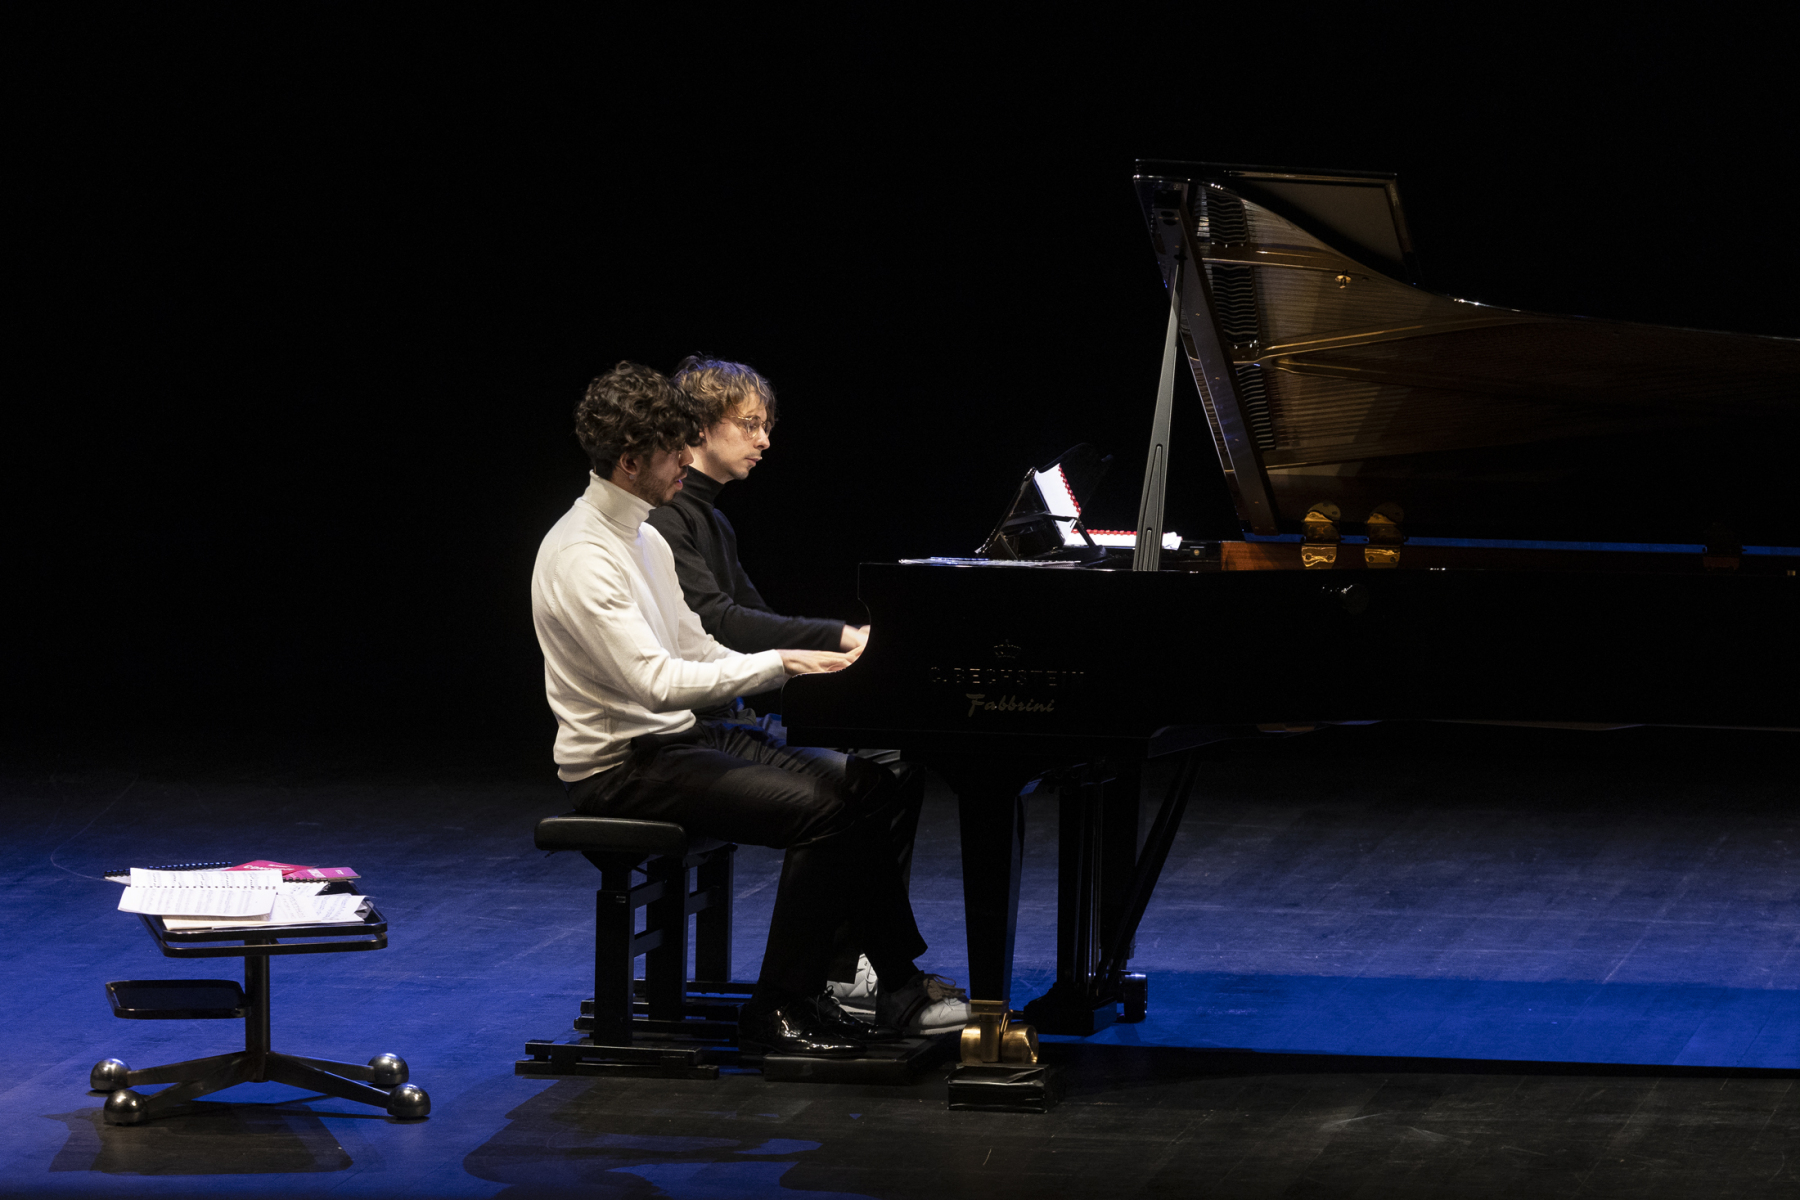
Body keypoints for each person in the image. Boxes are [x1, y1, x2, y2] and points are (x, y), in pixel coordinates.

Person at [529, 361, 964, 1056]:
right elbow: (653, 683)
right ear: (631, 461)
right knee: (824, 810)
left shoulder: (643, 536)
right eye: (674, 451)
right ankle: (781, 1008)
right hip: (623, 767)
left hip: (681, 741)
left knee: (869, 783)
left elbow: (696, 646)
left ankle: (893, 984)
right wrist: (783, 662)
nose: (686, 461)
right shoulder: (582, 554)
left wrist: (813, 666)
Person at [646, 355, 927, 1019]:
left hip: (724, 718)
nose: (764, 440)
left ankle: (848, 966)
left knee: (889, 764)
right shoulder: (668, 520)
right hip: (694, 730)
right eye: (749, 425)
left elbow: (750, 618)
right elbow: (721, 623)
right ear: (700, 428)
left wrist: (841, 654)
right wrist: (839, 639)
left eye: (764, 426)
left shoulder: (710, 520)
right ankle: (830, 978)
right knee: (851, 789)